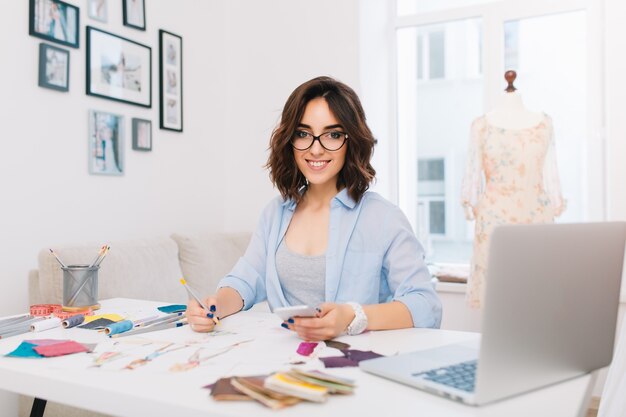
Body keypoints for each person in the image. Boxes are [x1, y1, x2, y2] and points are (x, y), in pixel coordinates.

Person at [187, 76, 442, 341]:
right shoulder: (275, 213)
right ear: (290, 140)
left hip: (356, 364)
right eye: (303, 134)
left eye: (332, 135)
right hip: (285, 363)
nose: (316, 149)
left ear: (351, 140)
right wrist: (213, 307)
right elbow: (245, 281)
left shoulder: (383, 218)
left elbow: (425, 305)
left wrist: (352, 316)